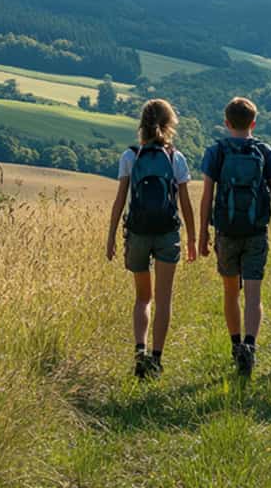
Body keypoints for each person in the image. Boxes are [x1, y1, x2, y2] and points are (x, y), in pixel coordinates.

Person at [106, 99, 196, 379]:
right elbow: (185, 203)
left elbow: (120, 200)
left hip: (138, 233)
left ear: (141, 124)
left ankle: (139, 352)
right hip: (168, 233)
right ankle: (156, 360)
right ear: (170, 124)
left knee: (142, 298)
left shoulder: (130, 156)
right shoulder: (175, 158)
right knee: (164, 298)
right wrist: (192, 237)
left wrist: (110, 236)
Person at [198, 97, 271, 377]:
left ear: (226, 123)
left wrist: (202, 233)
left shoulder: (216, 152)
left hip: (226, 231)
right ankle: (250, 345)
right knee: (254, 293)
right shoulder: (265, 151)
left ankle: (236, 346)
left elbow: (207, 197)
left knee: (230, 291)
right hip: (256, 230)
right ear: (254, 123)